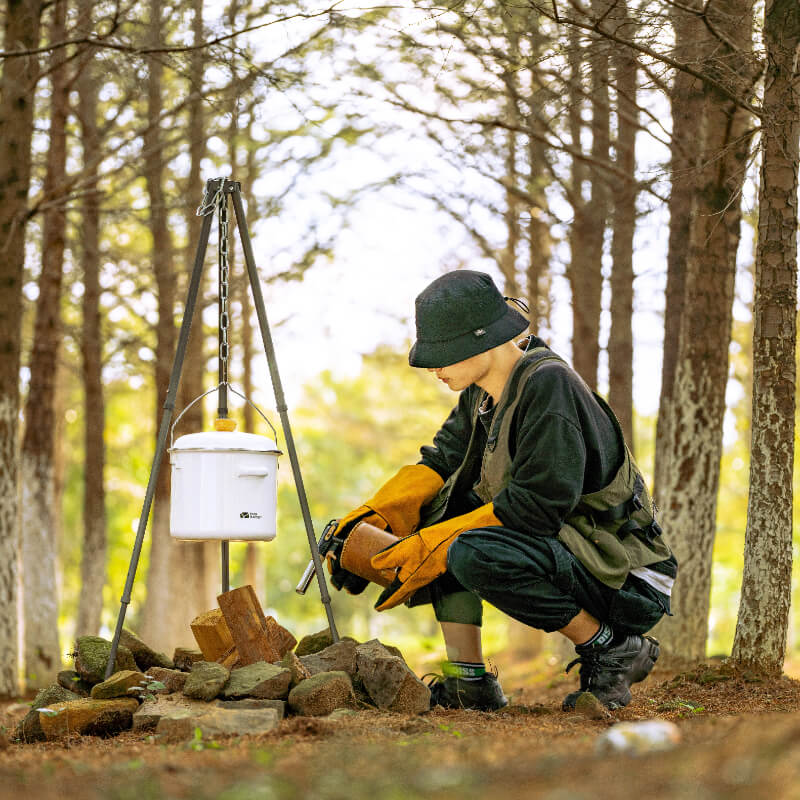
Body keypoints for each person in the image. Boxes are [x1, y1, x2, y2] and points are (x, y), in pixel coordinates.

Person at [324, 269, 677, 712]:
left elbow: (537, 508)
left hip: (626, 575)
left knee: (463, 547)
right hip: (573, 554)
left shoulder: (550, 386)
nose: (433, 368)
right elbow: (441, 461)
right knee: (442, 516)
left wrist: (430, 546)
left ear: (482, 340)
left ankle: (610, 646)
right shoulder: (479, 395)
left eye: (444, 354)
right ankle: (468, 681)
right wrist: (374, 519)